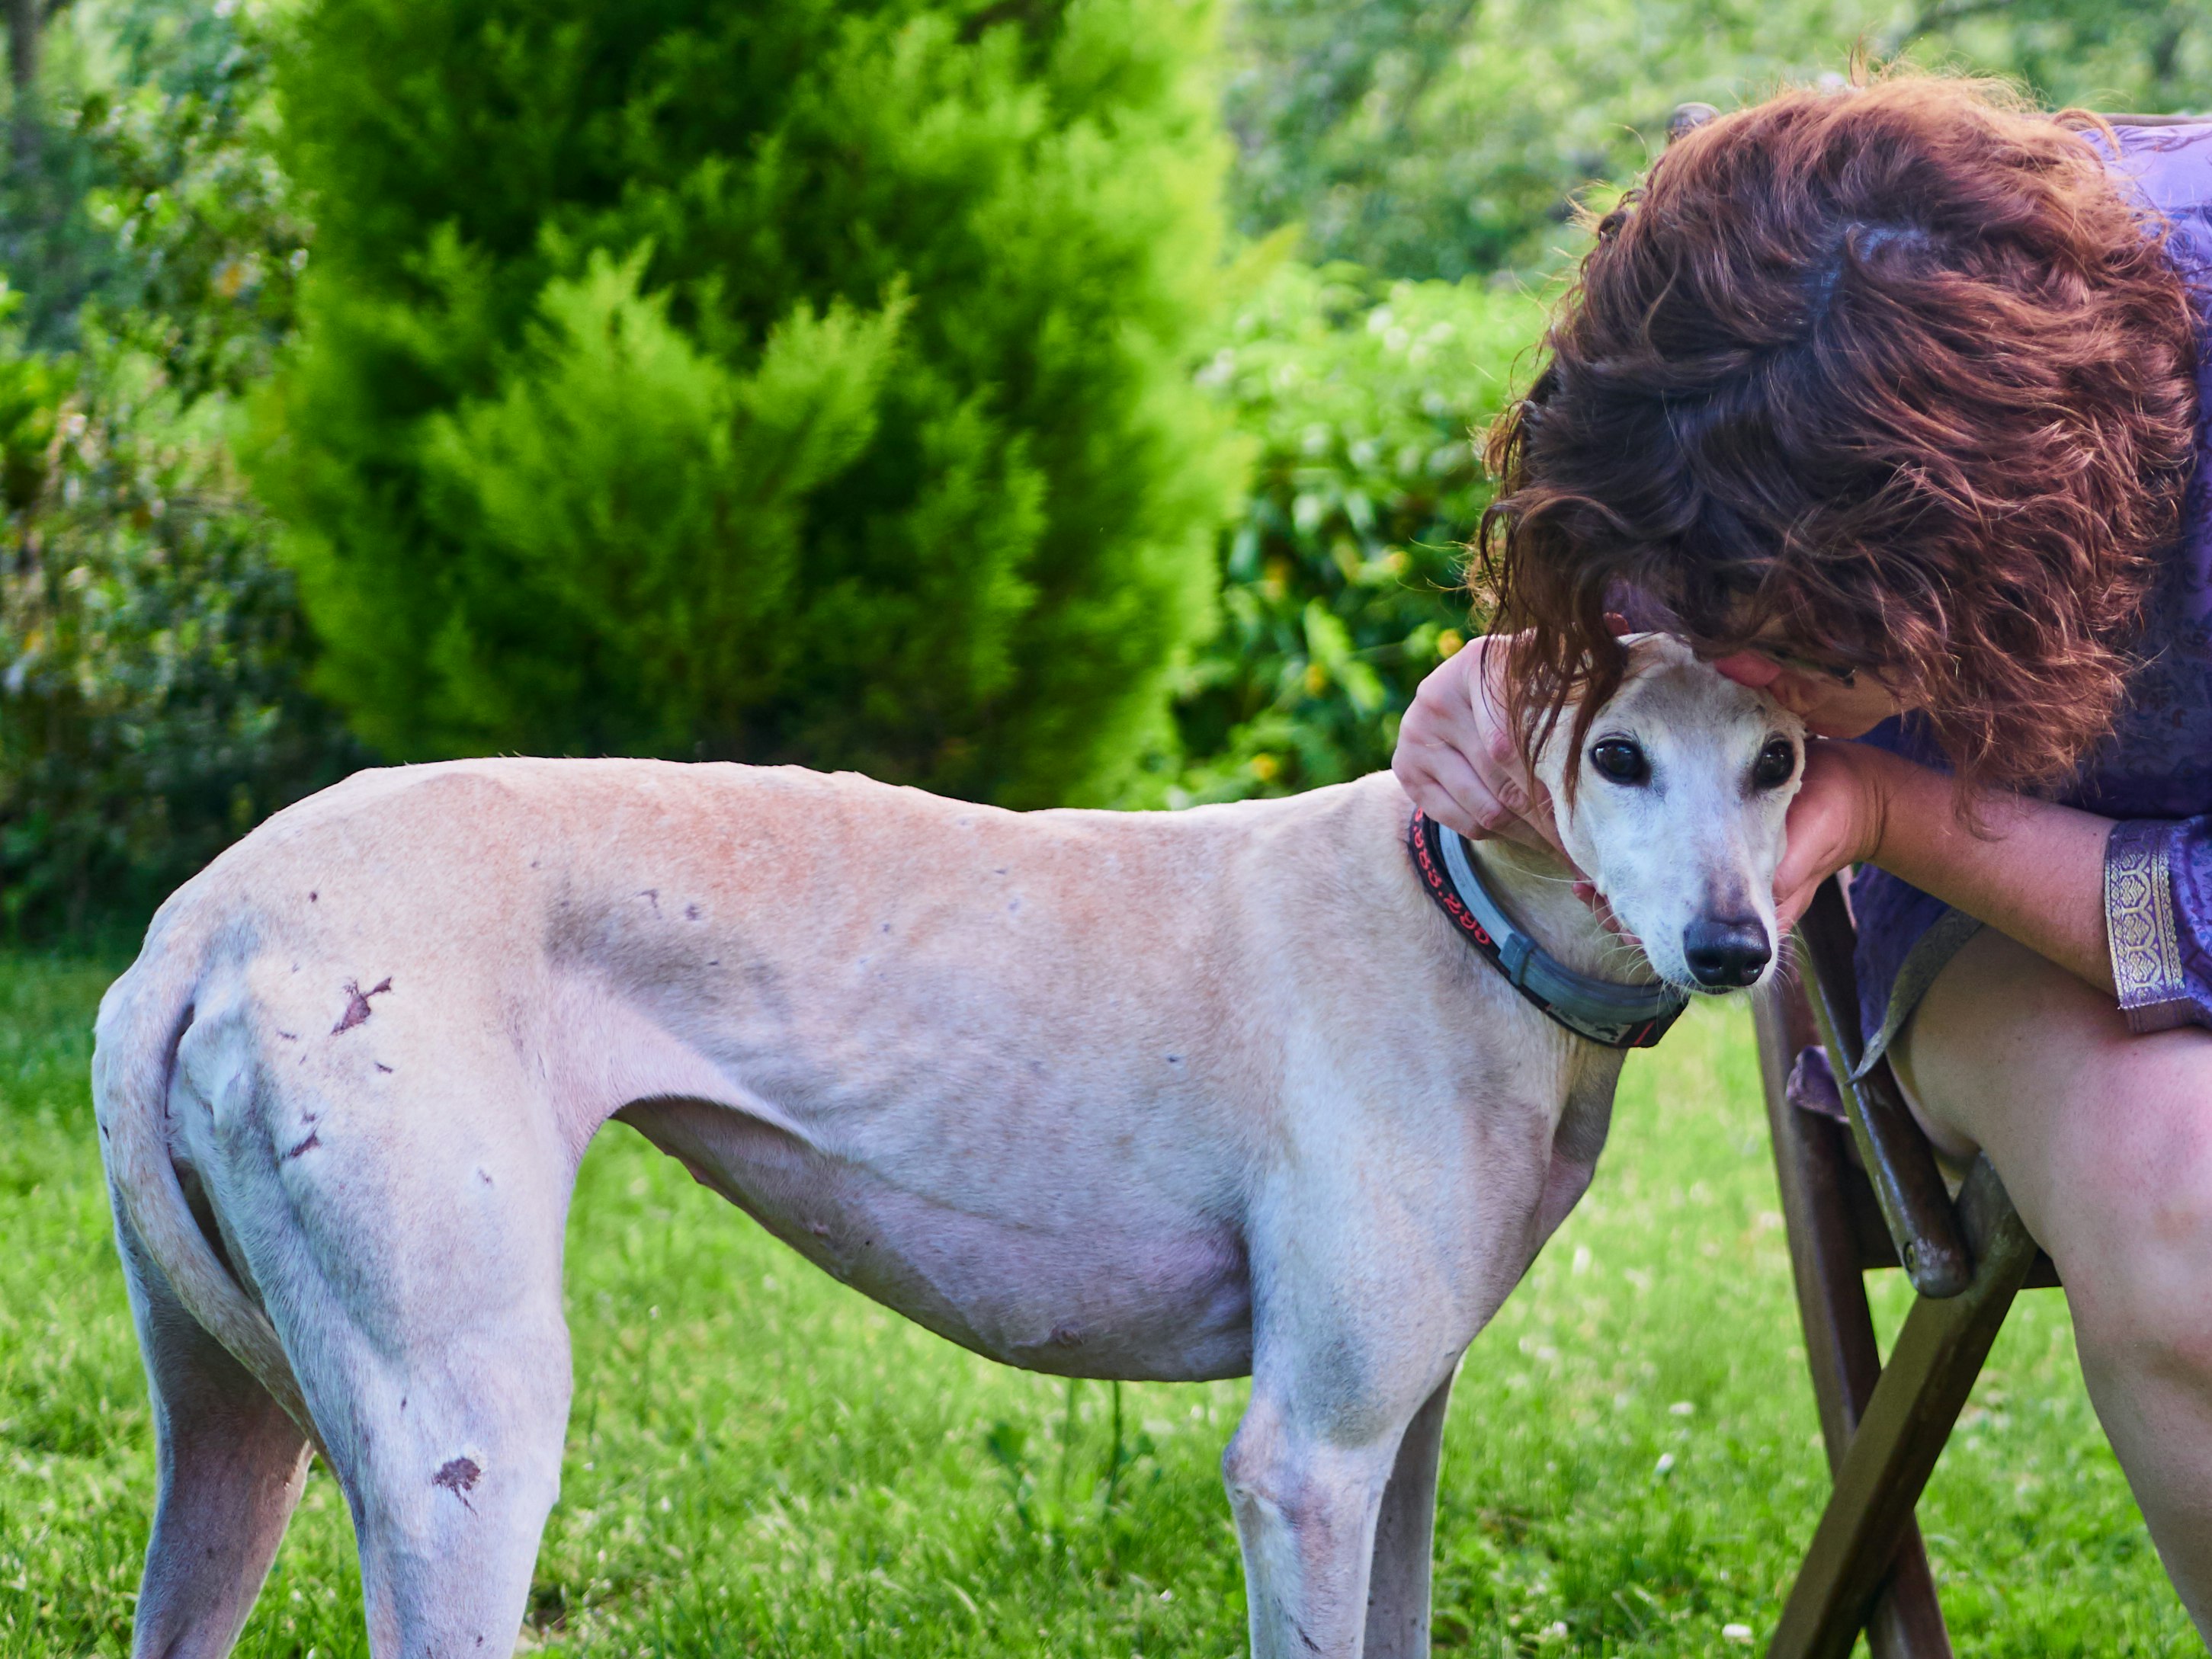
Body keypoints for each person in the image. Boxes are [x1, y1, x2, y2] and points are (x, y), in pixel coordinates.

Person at [1391, 73, 2212, 1632]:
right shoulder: (1755, 333)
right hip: (1985, 904)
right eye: (1682, 608)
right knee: (2188, 1194)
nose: (1711, 659)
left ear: (2002, 560)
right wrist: (1555, 676)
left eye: (1774, 645)